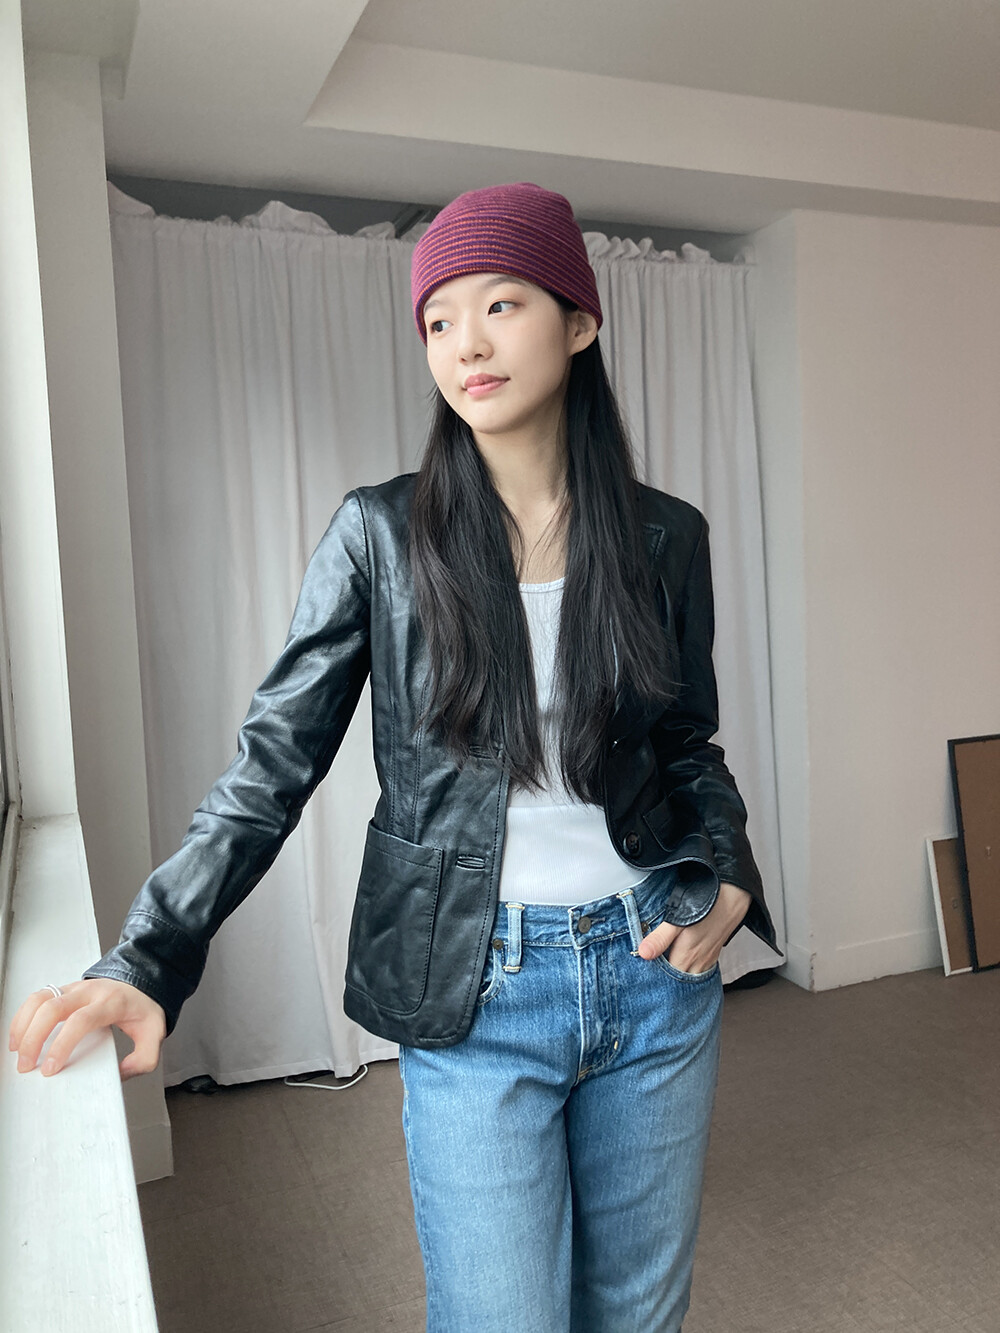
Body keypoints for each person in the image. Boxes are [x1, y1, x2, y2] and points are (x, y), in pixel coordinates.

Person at [9, 182, 778, 1331]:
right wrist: (147, 955)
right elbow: (272, 764)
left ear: (578, 321)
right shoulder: (381, 533)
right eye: (438, 319)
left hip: (654, 967)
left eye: (501, 305)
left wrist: (728, 868)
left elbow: (685, 741)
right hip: (472, 986)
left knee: (637, 1311)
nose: (465, 342)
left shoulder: (666, 535)